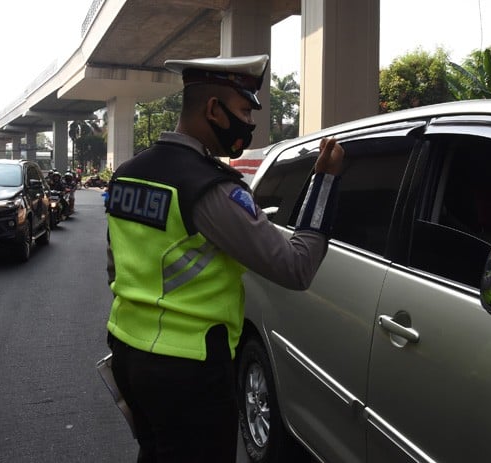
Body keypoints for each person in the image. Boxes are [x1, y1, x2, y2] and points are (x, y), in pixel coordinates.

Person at [104, 54, 345, 462]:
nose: (249, 123)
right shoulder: (209, 187)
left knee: (155, 451)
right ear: (213, 109)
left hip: (127, 352)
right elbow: (295, 266)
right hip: (190, 368)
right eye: (244, 109)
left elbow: (115, 265)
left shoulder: (127, 173)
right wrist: (325, 182)